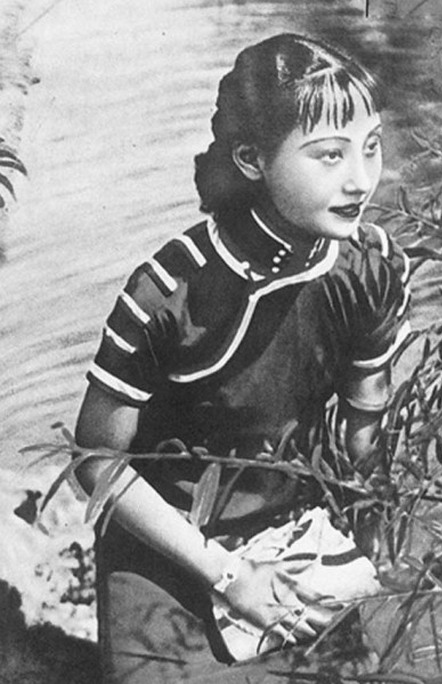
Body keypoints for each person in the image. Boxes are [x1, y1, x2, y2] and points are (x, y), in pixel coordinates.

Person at [74, 33, 411, 683]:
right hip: (166, 550)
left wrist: (371, 548)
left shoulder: (370, 268)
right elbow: (95, 462)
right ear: (252, 159)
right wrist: (229, 575)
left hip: (294, 533)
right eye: (330, 155)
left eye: (370, 147)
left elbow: (364, 435)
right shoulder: (169, 292)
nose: (361, 180)